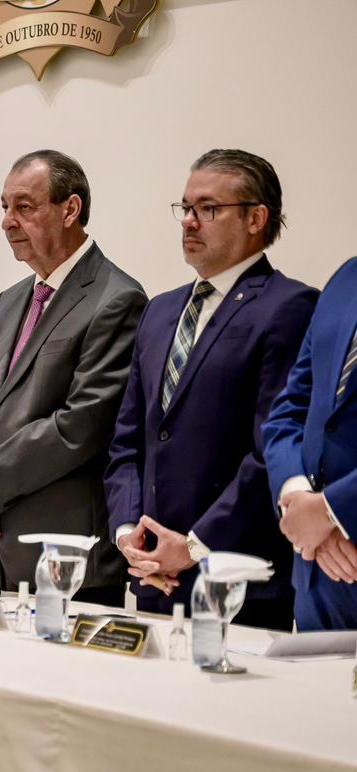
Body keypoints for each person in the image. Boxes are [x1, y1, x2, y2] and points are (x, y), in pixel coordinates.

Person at [106, 150, 316, 630]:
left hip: (235, 579)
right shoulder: (159, 312)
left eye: (209, 209)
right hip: (154, 574)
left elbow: (272, 451)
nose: (190, 222)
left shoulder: (289, 307)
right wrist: (128, 534)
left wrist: (196, 544)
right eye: (185, 208)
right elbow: (129, 440)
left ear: (256, 218)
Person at [0, 151, 146, 602]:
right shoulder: (9, 301)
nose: (7, 222)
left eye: (24, 207)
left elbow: (80, 425)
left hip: (65, 553)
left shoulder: (117, 299)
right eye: (3, 207)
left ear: (70, 210)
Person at [265, 256, 357, 630]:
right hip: (317, 578)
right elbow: (290, 409)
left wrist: (333, 511)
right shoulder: (345, 278)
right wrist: (297, 495)